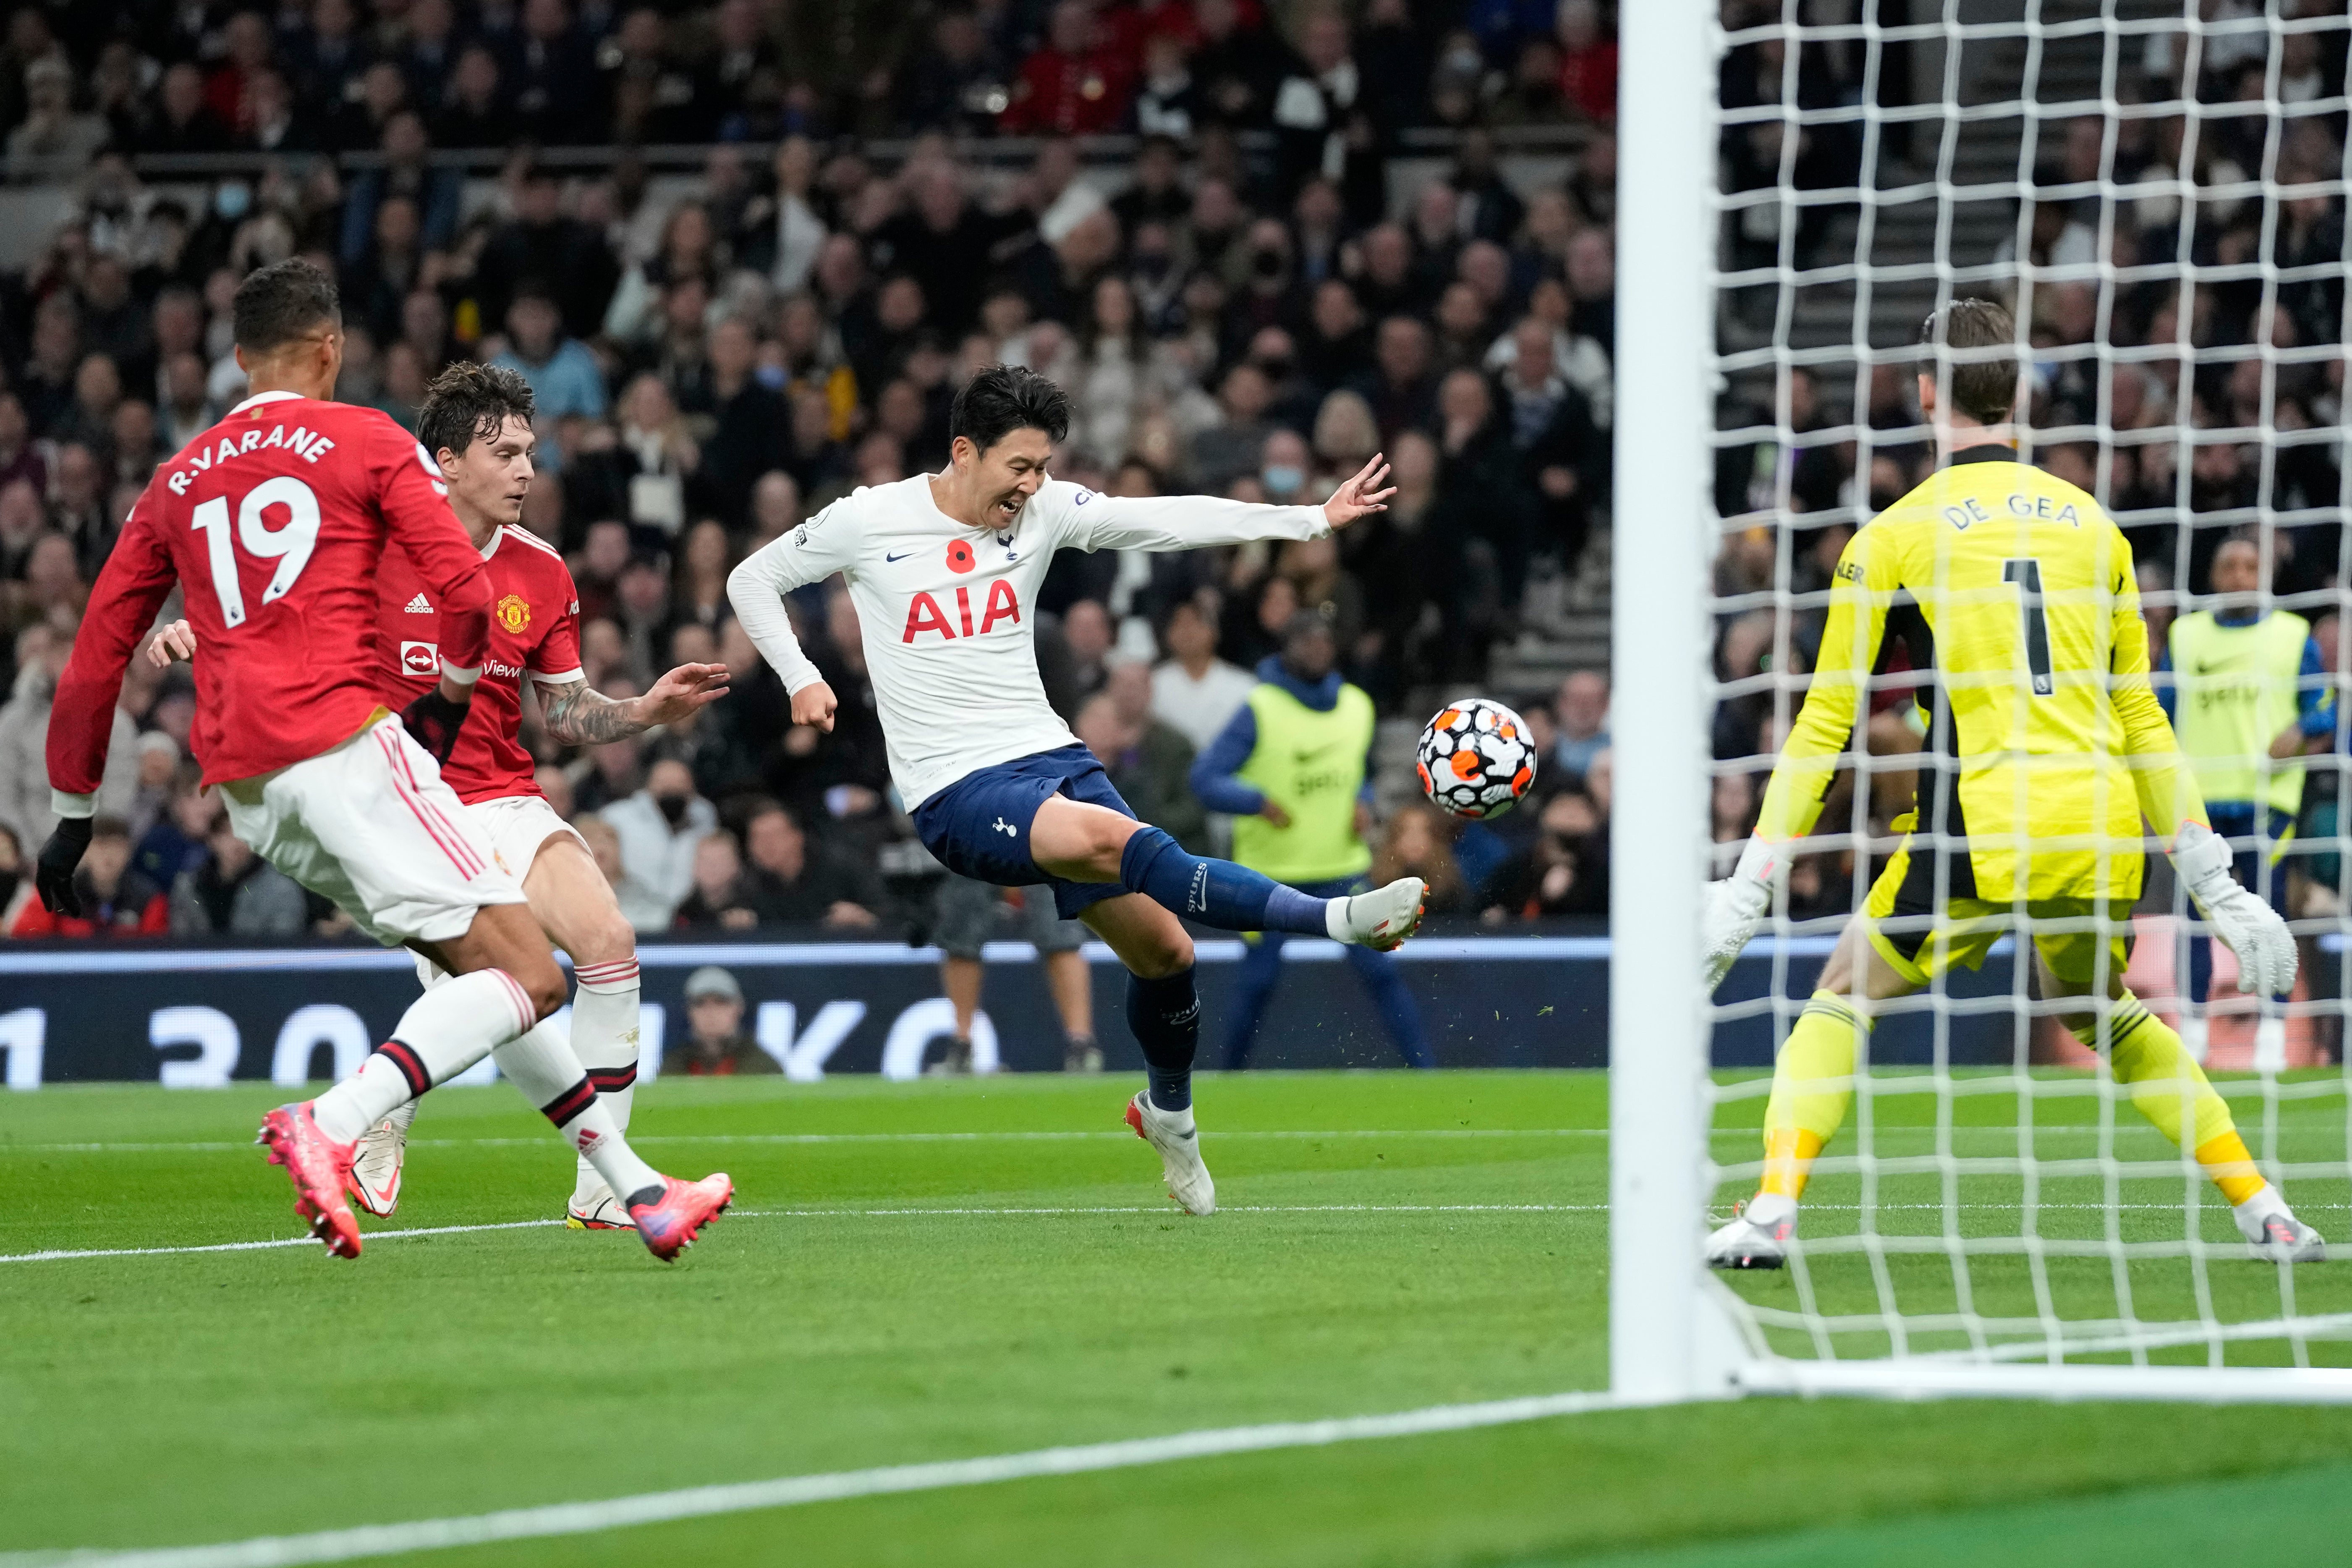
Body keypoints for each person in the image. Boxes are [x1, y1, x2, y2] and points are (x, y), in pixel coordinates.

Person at [45, 259, 727, 1262]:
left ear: (237, 358)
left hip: (245, 785)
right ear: (331, 350)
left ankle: (633, 1188)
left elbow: (99, 644)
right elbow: (462, 591)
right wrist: (450, 696)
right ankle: (335, 1119)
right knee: (531, 974)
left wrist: (73, 811)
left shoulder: (177, 475)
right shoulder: (366, 438)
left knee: (496, 969)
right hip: (350, 751)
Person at [1701, 298, 2318, 1269]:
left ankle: (1773, 1209)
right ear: (2019, 397)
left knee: (1838, 995)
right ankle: (2265, 1208)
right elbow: (2140, 716)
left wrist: (1749, 882)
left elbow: (1824, 723)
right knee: (2101, 1012)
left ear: (1923, 393)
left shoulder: (1893, 537)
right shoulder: (2094, 529)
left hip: (1976, 831)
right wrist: (2215, 883)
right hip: (2102, 833)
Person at [728, 366, 1427, 1217]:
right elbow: (750, 580)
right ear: (963, 451)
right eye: (1017, 466)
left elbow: (1163, 520)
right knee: (1110, 843)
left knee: (1167, 955)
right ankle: (1334, 920)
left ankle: (1167, 1116)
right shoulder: (869, 519)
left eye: (1040, 467)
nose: (1030, 485)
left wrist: (1308, 519)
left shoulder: (1046, 509)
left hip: (1052, 757)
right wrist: (800, 675)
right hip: (955, 787)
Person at [1190, 611, 1433, 1070]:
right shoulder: (1261, 708)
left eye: (1325, 642)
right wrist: (1255, 801)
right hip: (1271, 873)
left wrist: (1363, 800)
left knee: (1380, 971)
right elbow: (1205, 779)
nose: (1318, 650)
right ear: (1287, 648)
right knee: (1257, 982)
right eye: (1307, 642)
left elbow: (1360, 769)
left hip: (1341, 866)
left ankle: (1427, 1073)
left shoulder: (1357, 705)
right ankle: (1226, 1079)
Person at [2157, 531, 2331, 1067]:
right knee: (2192, 918)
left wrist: (2301, 728)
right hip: (2197, 803)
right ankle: (2191, 1029)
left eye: (2248, 566)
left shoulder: (2291, 634)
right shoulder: (2184, 637)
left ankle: (2272, 1033)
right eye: (2228, 566)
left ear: (2264, 576)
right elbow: (2155, 712)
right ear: (2212, 577)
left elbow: (2323, 707)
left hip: (2264, 801)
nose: (2237, 576)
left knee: (2266, 916)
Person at [932, 874, 1099, 1074]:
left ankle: (1081, 1047)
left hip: (1038, 844)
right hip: (976, 843)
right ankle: (961, 1047)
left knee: (1060, 930)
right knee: (962, 932)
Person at [9, 814, 167, 935]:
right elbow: (27, 944)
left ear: (129, 852)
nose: (108, 856)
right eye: (100, 845)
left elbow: (155, 955)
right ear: (85, 851)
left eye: (117, 847)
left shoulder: (149, 898)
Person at [663, 966, 779, 1076]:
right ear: (689, 1011)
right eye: (700, 1003)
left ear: (739, 1008)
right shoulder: (673, 1067)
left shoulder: (763, 1067)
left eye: (721, 1002)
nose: (710, 1012)